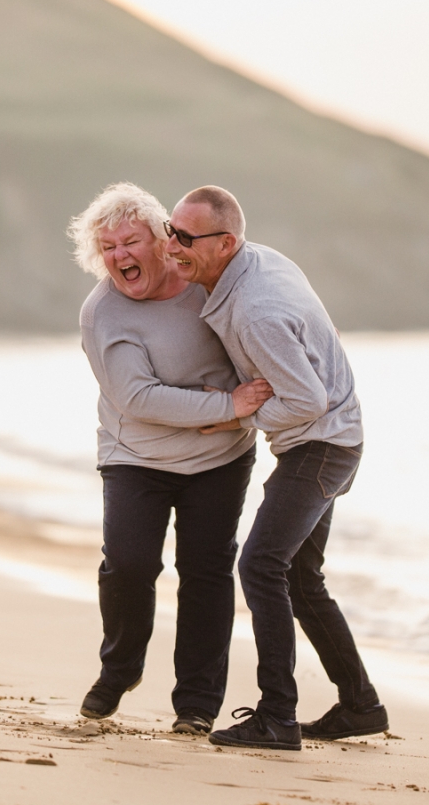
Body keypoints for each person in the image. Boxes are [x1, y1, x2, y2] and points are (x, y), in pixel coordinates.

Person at [165, 185, 388, 751]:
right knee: (299, 577)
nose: (173, 246)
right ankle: (361, 706)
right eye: (171, 230)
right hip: (334, 440)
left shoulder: (258, 309)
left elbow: (307, 400)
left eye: (186, 238)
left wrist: (233, 415)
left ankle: (277, 717)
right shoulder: (254, 263)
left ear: (226, 243)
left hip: (320, 444)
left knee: (260, 565)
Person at [68, 183, 273, 735]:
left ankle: (198, 705)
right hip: (136, 454)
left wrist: (239, 416)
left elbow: (258, 353)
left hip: (219, 456)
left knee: (206, 573)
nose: (119, 257)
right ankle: (120, 669)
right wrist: (226, 405)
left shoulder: (206, 287)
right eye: (107, 247)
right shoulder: (102, 314)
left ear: (163, 240)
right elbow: (137, 397)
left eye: (130, 241)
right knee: (129, 566)